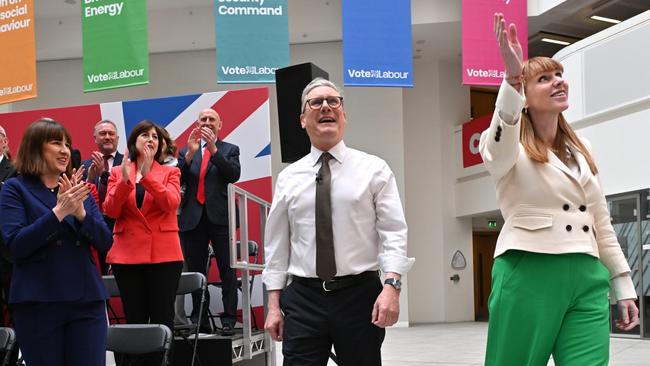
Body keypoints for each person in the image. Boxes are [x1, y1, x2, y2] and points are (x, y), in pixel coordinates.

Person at [479, 14, 639, 366]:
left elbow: (600, 221)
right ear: (525, 93)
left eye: (559, 75)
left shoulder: (584, 148)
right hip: (528, 269)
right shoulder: (507, 145)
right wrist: (511, 78)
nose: (557, 82)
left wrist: (623, 282)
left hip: (587, 274)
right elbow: (496, 150)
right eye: (544, 78)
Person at [262, 78, 414, 365]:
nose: (325, 107)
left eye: (333, 101)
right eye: (315, 102)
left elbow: (393, 232)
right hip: (303, 297)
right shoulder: (288, 179)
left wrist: (392, 287)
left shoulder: (374, 170)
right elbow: (277, 246)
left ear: (344, 116)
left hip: (360, 297)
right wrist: (273, 306)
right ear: (302, 120)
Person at [0, 119, 112, 366]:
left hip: (86, 302)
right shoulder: (13, 189)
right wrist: (58, 213)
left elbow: (106, 243)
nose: (65, 150)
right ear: (35, 148)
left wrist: (81, 214)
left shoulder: (78, 189)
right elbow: (16, 245)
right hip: (38, 303)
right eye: (56, 142)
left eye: (67, 143)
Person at [102, 121, 183, 342]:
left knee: (163, 319)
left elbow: (171, 203)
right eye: (145, 135)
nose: (151, 140)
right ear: (133, 142)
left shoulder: (170, 172)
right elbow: (110, 210)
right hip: (127, 256)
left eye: (155, 137)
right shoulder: (118, 172)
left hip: (164, 255)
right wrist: (125, 182)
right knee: (134, 319)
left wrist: (148, 176)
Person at [177, 108, 241, 335]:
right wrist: (188, 156)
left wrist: (213, 150)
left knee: (227, 269)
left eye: (211, 119)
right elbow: (177, 178)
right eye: (203, 119)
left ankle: (229, 319)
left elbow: (233, 174)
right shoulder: (187, 150)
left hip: (221, 217)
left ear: (219, 124)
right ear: (196, 123)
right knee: (196, 271)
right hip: (193, 219)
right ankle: (199, 318)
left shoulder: (230, 149)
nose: (207, 122)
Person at [82, 119, 124, 274]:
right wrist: (90, 180)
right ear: (95, 138)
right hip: (94, 228)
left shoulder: (128, 163)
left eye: (111, 133)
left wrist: (103, 175)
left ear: (117, 138)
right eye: (102, 133)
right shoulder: (84, 166)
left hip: (120, 226)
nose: (107, 137)